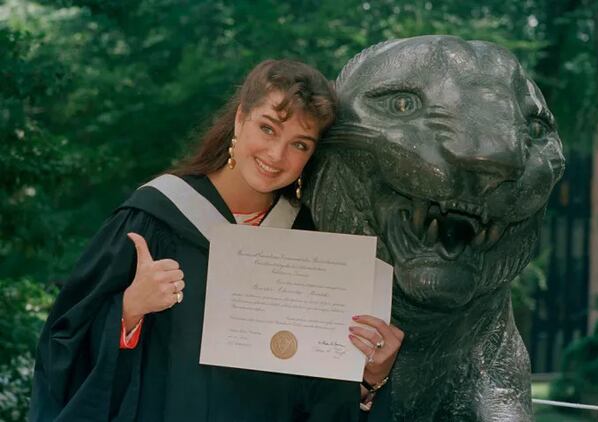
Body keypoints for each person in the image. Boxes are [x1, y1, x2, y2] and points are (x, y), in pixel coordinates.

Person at [29, 59, 404, 421]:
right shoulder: (155, 217)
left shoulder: (310, 249)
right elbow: (63, 348)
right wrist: (128, 311)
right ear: (240, 119)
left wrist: (370, 377)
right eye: (268, 128)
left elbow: (315, 396)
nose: (277, 155)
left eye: (300, 144)